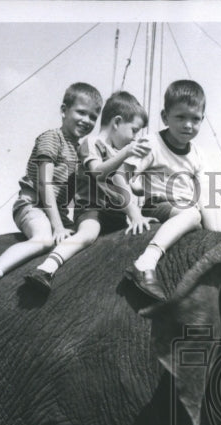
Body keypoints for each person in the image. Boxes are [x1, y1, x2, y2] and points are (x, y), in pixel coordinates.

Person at [0, 82, 103, 311]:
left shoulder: (79, 152)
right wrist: (57, 225)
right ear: (64, 110)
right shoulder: (51, 138)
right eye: (81, 112)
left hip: (57, 213)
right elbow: (44, 184)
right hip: (33, 205)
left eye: (93, 117)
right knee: (44, 238)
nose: (87, 120)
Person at [23, 90, 155, 294]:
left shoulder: (115, 153)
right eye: (134, 130)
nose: (134, 138)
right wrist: (125, 154)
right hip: (92, 209)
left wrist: (144, 190)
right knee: (88, 234)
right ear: (117, 122)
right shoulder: (92, 143)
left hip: (115, 214)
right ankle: (47, 267)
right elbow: (98, 172)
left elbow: (123, 184)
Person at [122, 79, 211, 301]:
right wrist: (135, 205)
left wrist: (213, 235)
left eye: (195, 119)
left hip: (186, 211)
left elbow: (201, 197)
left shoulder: (198, 154)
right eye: (180, 117)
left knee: (197, 215)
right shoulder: (152, 143)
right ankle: (146, 261)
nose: (188, 125)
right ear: (164, 117)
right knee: (191, 214)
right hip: (159, 205)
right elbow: (123, 176)